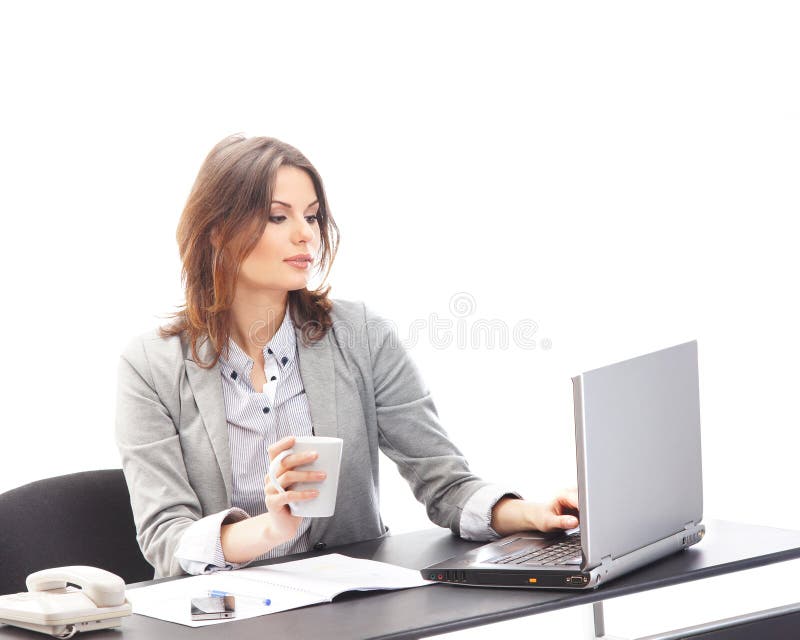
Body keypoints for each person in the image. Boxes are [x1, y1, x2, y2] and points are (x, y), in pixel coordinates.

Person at [115, 135, 579, 578]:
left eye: (312, 217)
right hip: (227, 618)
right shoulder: (151, 366)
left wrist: (531, 513)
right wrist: (270, 529)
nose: (305, 235)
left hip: (350, 614)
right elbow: (166, 538)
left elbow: (447, 485)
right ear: (217, 231)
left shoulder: (362, 336)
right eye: (279, 217)